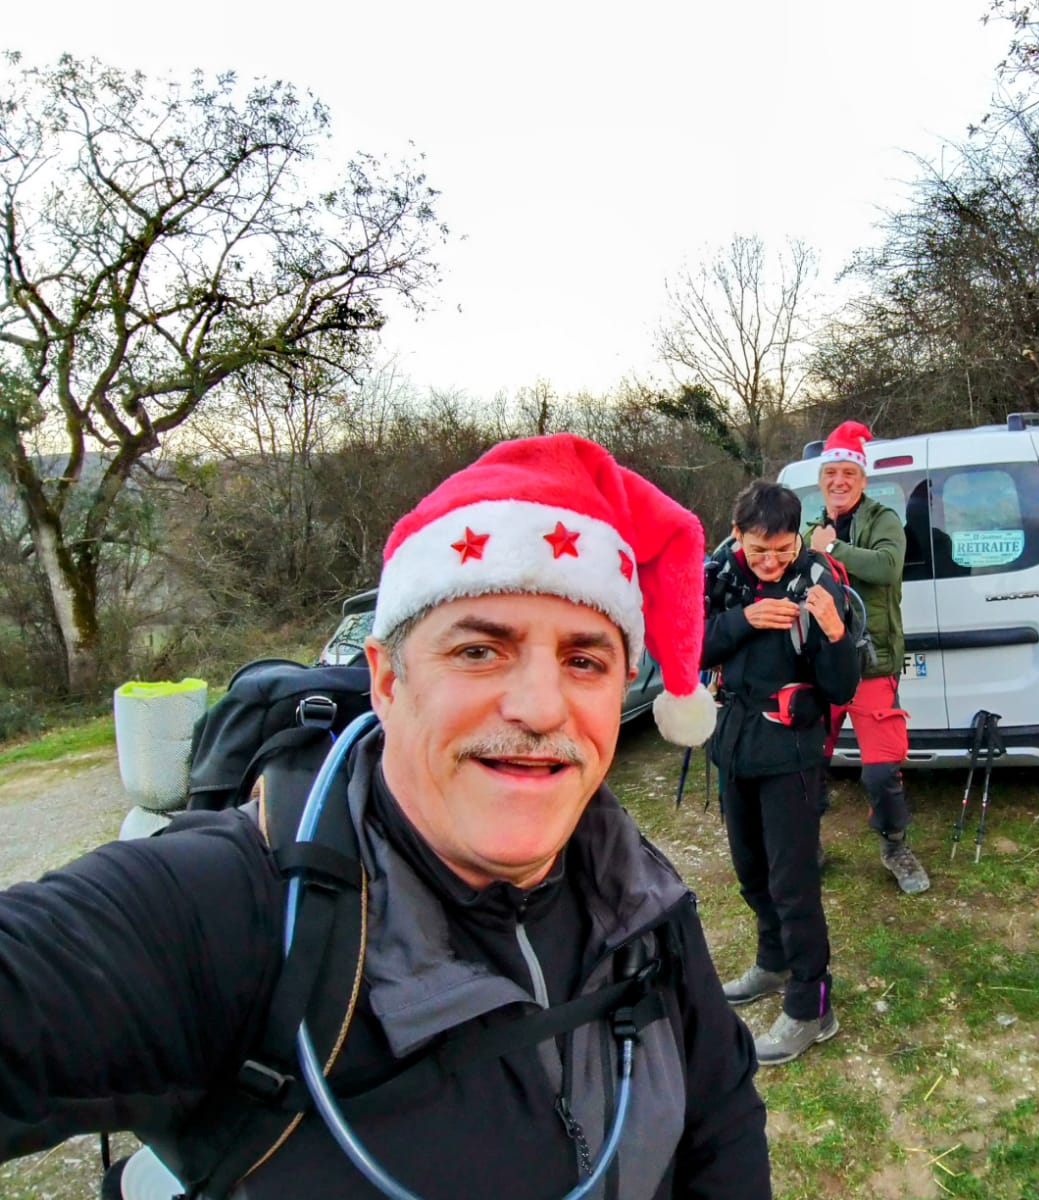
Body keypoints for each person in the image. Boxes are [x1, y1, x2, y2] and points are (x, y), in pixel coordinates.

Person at [0, 434, 772, 1199]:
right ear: (386, 682)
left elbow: (722, 1115)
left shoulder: (637, 887)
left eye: (584, 661)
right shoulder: (243, 910)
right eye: (479, 651)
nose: (541, 708)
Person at [702, 481, 860, 1066]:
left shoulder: (817, 582)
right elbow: (692, 648)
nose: (771, 562)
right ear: (737, 535)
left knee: (794, 886)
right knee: (750, 872)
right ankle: (772, 963)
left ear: (798, 538)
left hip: (791, 754)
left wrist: (837, 635)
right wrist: (744, 619)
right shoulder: (721, 576)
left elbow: (841, 687)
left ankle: (812, 1005)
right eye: (759, 550)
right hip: (734, 747)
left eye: (782, 549)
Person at [802, 420, 930, 896]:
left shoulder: (883, 520)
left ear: (862, 478)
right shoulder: (809, 529)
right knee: (807, 761)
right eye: (831, 473)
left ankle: (895, 845)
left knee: (880, 769)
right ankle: (807, 843)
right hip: (821, 667)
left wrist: (833, 548)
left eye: (848, 473)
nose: (839, 481)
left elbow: (888, 567)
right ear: (821, 480)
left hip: (871, 665)